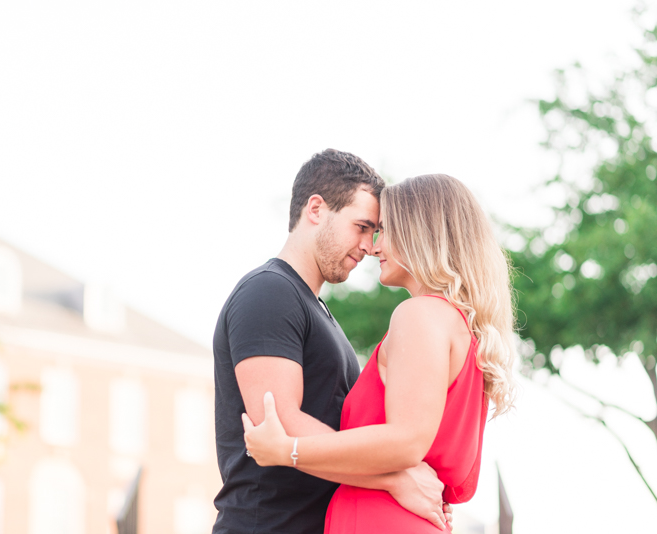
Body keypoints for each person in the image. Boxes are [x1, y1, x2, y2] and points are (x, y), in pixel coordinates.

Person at [243, 174, 517, 533]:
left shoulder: (418, 314)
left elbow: (405, 441)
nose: (373, 247)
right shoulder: (463, 328)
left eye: (384, 230)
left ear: (420, 233)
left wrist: (286, 450)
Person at [213, 151, 453, 534]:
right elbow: (280, 424)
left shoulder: (317, 311)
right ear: (316, 209)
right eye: (361, 226)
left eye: (375, 232)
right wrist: (394, 477)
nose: (369, 246)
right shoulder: (268, 292)